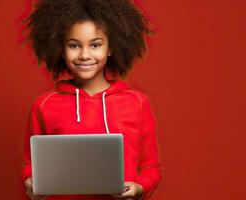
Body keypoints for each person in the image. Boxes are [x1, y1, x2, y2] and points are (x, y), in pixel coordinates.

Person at [21, 0, 161, 199]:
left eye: (95, 44)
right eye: (74, 45)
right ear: (61, 49)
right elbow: (30, 165)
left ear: (110, 48)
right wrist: (30, 181)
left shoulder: (136, 103)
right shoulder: (44, 106)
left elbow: (151, 167)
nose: (85, 55)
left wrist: (140, 188)